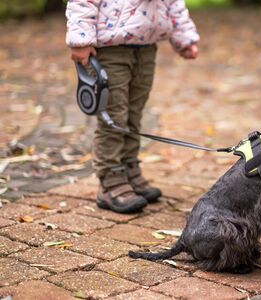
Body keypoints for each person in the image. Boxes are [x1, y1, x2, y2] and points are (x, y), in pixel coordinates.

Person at [66, 0, 199, 213]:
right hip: (110, 49)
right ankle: (110, 180)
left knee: (134, 114)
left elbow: (174, 5)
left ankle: (128, 168)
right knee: (114, 116)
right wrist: (80, 39)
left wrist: (184, 39)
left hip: (146, 49)